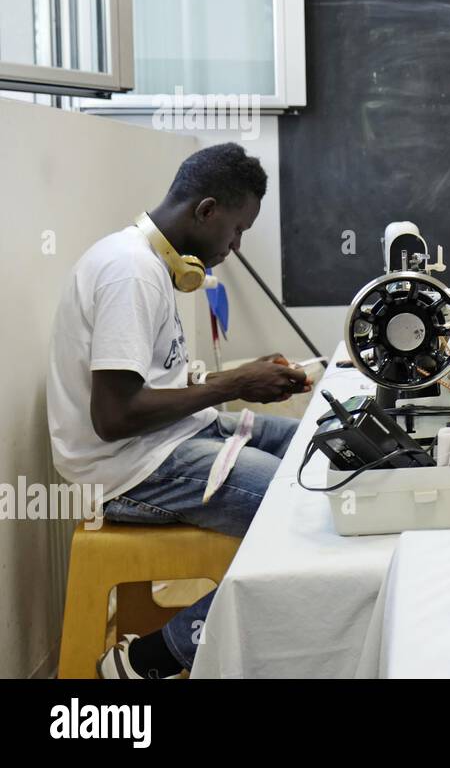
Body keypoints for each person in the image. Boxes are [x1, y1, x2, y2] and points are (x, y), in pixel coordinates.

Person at [47, 143, 312, 678]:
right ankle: (150, 659)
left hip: (168, 440)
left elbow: (155, 386)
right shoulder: (131, 273)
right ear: (206, 210)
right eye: (236, 231)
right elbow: (115, 417)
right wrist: (231, 384)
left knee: (314, 449)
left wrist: (239, 380)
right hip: (128, 470)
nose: (235, 246)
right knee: (307, 514)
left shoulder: (151, 265)